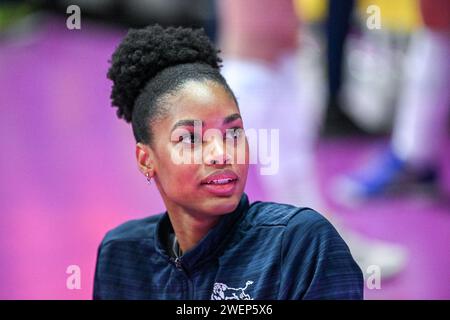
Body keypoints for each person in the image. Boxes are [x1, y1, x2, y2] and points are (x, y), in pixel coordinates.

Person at [93, 25, 363, 300]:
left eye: (233, 133)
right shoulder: (120, 254)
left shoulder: (302, 244)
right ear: (146, 159)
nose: (222, 154)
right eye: (191, 139)